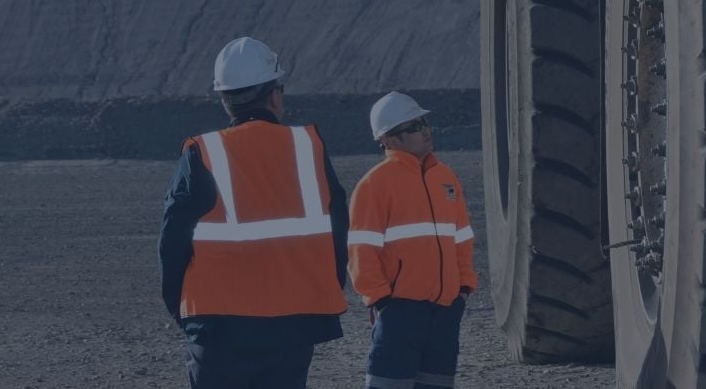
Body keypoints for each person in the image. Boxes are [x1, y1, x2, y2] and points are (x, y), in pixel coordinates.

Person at [158, 36, 349, 389]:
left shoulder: (203, 152)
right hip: (293, 326)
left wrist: (181, 309)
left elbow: (173, 238)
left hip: (218, 328)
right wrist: (323, 290)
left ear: (225, 100)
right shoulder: (307, 148)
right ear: (274, 95)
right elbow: (338, 227)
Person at [348, 91, 479, 389]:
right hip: (400, 315)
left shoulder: (445, 177)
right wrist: (382, 302)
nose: (425, 131)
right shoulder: (374, 184)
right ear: (390, 139)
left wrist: (463, 290)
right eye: (414, 127)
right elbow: (361, 252)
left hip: (445, 314)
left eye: (423, 123)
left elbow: (462, 239)